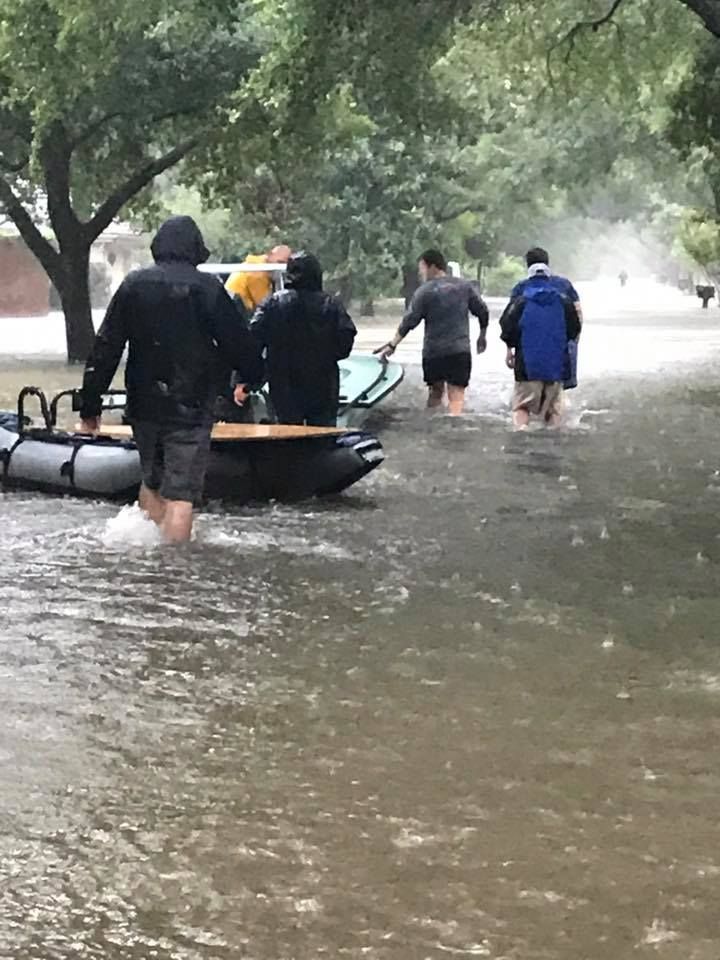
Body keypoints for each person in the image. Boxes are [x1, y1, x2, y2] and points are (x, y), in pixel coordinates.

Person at [79, 215, 262, 542]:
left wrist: (90, 405)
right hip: (192, 407)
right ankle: (174, 572)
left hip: (144, 404)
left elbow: (106, 347)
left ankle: (148, 556)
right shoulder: (208, 289)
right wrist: (250, 378)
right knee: (181, 493)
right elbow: (239, 342)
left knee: (152, 480)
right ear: (195, 249)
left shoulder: (133, 285)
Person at [375, 249, 489, 416]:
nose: (421, 273)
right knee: (456, 397)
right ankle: (455, 427)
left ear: (433, 266)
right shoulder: (464, 287)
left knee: (435, 395)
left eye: (422, 268)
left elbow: (410, 321)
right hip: (460, 351)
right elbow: (483, 311)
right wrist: (482, 335)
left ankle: (431, 429)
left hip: (434, 352)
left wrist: (393, 345)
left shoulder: (424, 291)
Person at [249, 251, 357, 426]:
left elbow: (254, 337)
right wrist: (327, 356)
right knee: (322, 434)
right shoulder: (331, 304)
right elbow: (346, 338)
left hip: (283, 381)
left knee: (288, 435)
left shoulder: (273, 303)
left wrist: (255, 375)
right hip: (322, 381)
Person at [500, 264, 582, 430]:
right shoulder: (564, 300)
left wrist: (511, 348)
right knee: (554, 410)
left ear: (530, 278)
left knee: (522, 406)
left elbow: (506, 326)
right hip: (557, 366)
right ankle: (552, 439)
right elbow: (574, 329)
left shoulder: (521, 300)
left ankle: (521, 433)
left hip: (527, 365)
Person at [511, 247, 583, 322]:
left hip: (528, 333)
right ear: (547, 263)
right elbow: (578, 312)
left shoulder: (520, 287)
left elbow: (510, 319)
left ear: (528, 265)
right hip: (559, 332)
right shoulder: (564, 284)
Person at [225, 244, 292, 313]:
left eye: (284, 264)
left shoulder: (257, 266)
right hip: (235, 309)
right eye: (279, 262)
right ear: (269, 255)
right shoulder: (257, 271)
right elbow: (263, 305)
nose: (280, 267)